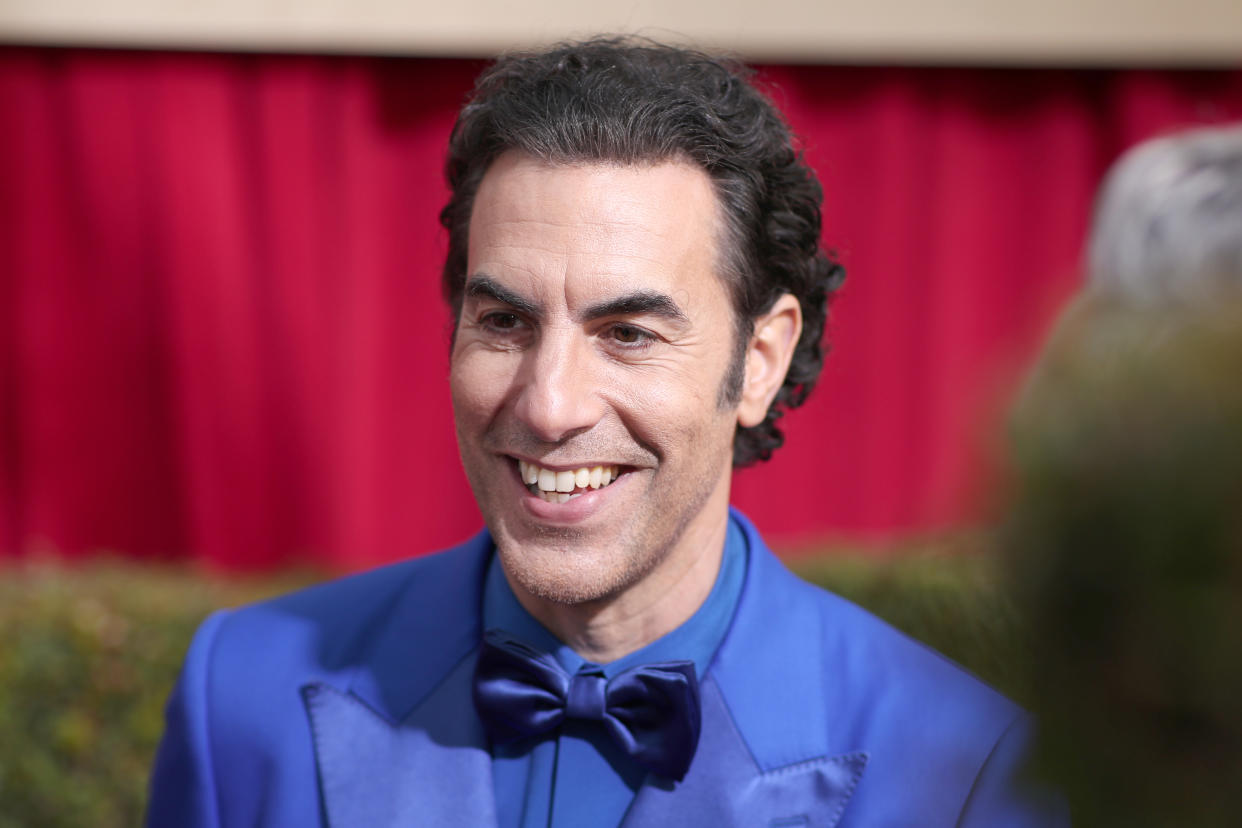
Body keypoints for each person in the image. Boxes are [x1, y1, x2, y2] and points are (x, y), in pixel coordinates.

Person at [147, 37, 1066, 827]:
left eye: (627, 334)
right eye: (503, 322)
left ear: (760, 358)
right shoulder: (241, 693)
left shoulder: (966, 773)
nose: (550, 406)